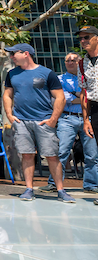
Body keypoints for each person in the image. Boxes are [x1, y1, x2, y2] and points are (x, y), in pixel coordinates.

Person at [2, 43, 72, 203]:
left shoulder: (47, 73)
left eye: (14, 53)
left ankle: (61, 190)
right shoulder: (12, 74)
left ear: (26, 53)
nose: (11, 57)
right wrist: (10, 115)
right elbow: (7, 95)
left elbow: (60, 97)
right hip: (21, 121)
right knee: (26, 155)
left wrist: (53, 119)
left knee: (52, 156)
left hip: (43, 121)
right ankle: (28, 189)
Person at [41, 53, 97, 194]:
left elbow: (90, 97)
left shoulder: (89, 77)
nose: (70, 62)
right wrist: (85, 97)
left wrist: (77, 95)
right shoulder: (58, 79)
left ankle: (91, 184)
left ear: (80, 62)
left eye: (74, 60)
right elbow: (65, 100)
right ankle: (54, 183)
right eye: (68, 60)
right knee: (62, 151)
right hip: (67, 119)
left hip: (88, 119)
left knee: (92, 154)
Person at [77, 26, 98, 206]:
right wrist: (86, 119)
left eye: (87, 37)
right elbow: (85, 93)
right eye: (81, 38)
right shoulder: (82, 63)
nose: (83, 41)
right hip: (96, 109)